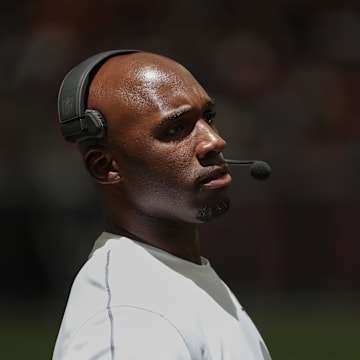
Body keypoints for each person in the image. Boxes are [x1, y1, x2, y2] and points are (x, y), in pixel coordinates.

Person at [53, 49, 272, 360]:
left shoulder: (167, 277)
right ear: (105, 167)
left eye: (208, 118)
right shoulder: (130, 318)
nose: (214, 141)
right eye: (175, 129)